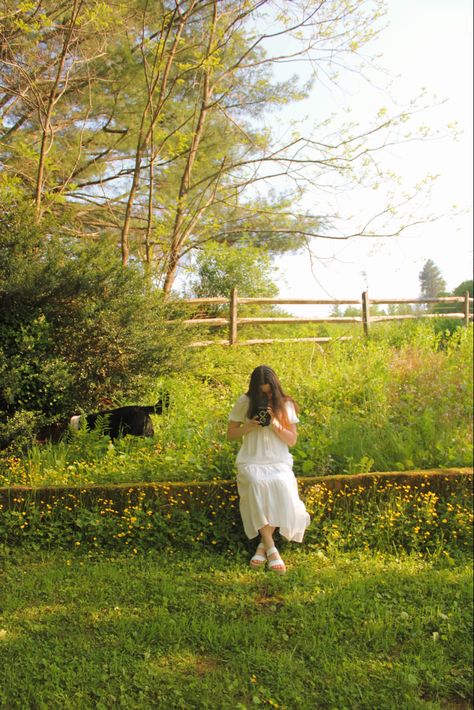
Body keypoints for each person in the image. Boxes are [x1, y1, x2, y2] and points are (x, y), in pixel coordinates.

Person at [227, 365, 310, 574]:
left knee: (281, 484)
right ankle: (271, 548)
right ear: (255, 389)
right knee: (256, 484)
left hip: (278, 461)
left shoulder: (285, 404)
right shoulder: (244, 402)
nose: (266, 396)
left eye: (269, 391)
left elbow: (292, 441)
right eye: (262, 393)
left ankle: (263, 546)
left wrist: (274, 424)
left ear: (275, 386)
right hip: (251, 460)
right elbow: (230, 434)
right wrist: (249, 426)